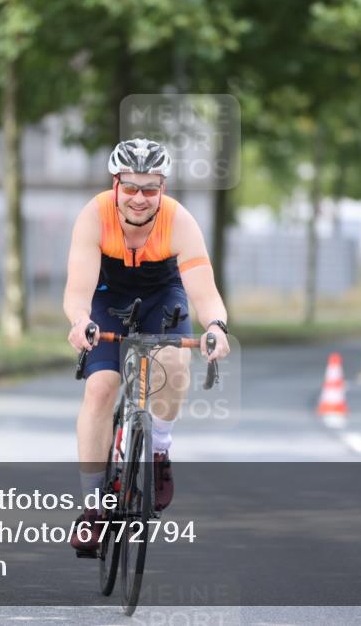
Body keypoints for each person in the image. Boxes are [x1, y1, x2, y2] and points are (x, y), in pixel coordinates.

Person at [63, 138, 231, 554]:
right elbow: (78, 290)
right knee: (100, 387)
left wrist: (216, 326)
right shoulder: (94, 216)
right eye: (131, 187)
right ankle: (93, 510)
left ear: (162, 188)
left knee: (175, 363)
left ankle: (158, 450)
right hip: (107, 299)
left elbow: (205, 292)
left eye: (150, 189)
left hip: (162, 295)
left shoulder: (179, 221)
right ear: (116, 184)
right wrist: (81, 322)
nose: (139, 198)